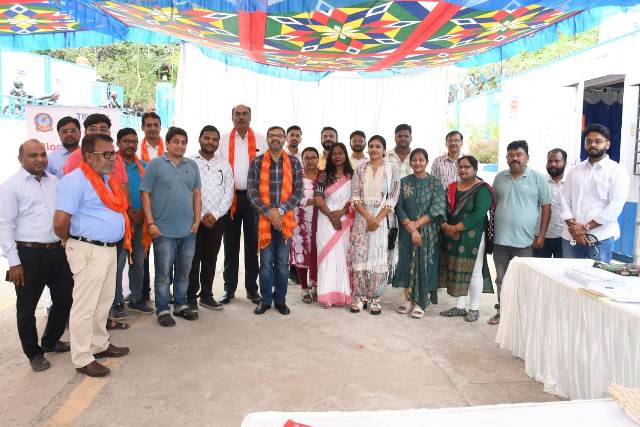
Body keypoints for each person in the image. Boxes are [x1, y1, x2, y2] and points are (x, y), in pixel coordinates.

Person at [53, 134, 130, 377]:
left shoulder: (107, 181)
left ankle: (99, 344)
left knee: (104, 301)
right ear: (88, 156)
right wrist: (73, 243)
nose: (112, 159)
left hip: (108, 249)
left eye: (113, 154)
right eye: (106, 154)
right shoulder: (74, 181)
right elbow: (60, 222)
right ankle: (82, 358)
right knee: (85, 306)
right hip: (88, 250)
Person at [0, 140, 73, 372]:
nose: (40, 159)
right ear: (20, 158)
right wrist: (14, 262)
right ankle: (34, 353)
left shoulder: (54, 182)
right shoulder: (11, 186)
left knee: (65, 298)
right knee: (27, 307)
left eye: (43, 154)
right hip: (27, 254)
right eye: (33, 155)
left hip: (56, 251)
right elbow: (4, 226)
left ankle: (50, 340)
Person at [140, 127, 202, 327]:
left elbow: (197, 195)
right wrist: (151, 223)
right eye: (176, 141)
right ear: (167, 143)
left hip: (188, 231)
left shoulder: (192, 165)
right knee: (163, 273)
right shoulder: (155, 164)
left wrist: (196, 221)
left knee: (184, 272)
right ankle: (163, 309)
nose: (180, 145)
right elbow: (145, 193)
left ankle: (181, 305)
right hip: (163, 231)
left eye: (183, 142)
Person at [489, 140, 551, 325]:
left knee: (523, 281)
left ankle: (521, 316)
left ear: (527, 157)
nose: (515, 158)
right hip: (501, 240)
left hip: (525, 242)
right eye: (511, 155)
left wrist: (541, 235)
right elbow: (496, 204)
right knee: (501, 279)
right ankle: (502, 313)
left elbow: (546, 207)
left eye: (519, 155)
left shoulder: (538, 178)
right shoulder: (499, 178)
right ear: (506, 157)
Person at [248, 126, 303, 315]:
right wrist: (269, 213)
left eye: (279, 136)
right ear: (267, 139)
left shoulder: (294, 162)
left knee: (281, 263)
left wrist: (279, 211)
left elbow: (298, 192)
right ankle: (265, 300)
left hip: (285, 221)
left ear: (285, 139)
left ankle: (280, 300)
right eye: (272, 136)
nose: (275, 139)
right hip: (263, 221)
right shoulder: (257, 162)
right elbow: (252, 193)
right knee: (265, 263)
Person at [560, 124, 630, 262]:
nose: (592, 144)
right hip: (571, 237)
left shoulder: (617, 172)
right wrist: (575, 229)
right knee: (568, 274)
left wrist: (585, 227)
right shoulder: (575, 171)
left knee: (597, 275)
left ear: (607, 144)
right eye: (589, 141)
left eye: (598, 141)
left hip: (601, 237)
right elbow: (564, 201)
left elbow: (614, 207)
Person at [218, 105, 266, 305]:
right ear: (232, 118)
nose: (241, 117)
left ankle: (252, 289)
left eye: (244, 114)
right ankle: (229, 289)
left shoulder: (261, 139)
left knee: (252, 245)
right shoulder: (222, 140)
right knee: (230, 245)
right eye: (237, 114)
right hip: (230, 198)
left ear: (250, 117)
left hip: (254, 199)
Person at [438, 156, 494, 322]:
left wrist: (455, 228)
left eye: (467, 167)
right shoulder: (451, 187)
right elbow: (442, 208)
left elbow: (479, 214)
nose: (462, 170)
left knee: (474, 271)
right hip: (452, 235)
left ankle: (474, 308)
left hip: (473, 236)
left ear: (475, 169)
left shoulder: (482, 189)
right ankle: (459, 306)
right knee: (456, 269)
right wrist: (446, 227)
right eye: (460, 167)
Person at [392, 148, 445, 319]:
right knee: (407, 262)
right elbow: (398, 206)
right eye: (414, 160)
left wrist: (418, 224)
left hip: (429, 232)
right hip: (407, 231)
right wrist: (412, 228)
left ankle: (422, 302)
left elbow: (437, 207)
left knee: (426, 264)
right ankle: (409, 299)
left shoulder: (435, 182)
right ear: (410, 162)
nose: (417, 163)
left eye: (421, 160)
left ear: (427, 162)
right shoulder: (403, 182)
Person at [350, 135, 400, 314]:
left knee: (378, 258)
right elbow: (355, 196)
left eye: (378, 146)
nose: (373, 149)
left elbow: (393, 196)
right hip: (361, 220)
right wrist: (368, 218)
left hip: (382, 220)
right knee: (360, 257)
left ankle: (374, 298)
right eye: (371, 146)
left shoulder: (392, 169)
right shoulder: (360, 168)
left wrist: (377, 219)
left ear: (384, 150)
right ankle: (360, 297)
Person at [187, 125, 233, 312]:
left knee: (211, 258)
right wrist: (198, 216)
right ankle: (190, 297)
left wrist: (215, 214)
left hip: (217, 219)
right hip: (193, 219)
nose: (210, 142)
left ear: (218, 143)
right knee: (192, 258)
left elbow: (229, 192)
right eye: (207, 138)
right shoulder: (189, 162)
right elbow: (186, 190)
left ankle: (206, 295)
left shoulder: (224, 164)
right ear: (199, 139)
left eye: (214, 139)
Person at [114, 128, 154, 315]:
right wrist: (128, 211)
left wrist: (143, 213)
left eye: (134, 142)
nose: (131, 145)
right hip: (120, 222)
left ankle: (136, 298)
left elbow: (151, 192)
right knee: (118, 264)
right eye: (126, 141)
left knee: (138, 261)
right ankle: (117, 302)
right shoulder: (112, 164)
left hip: (140, 222)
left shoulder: (145, 166)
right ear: (118, 143)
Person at [315, 143, 354, 308]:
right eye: (334, 154)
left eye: (340, 153)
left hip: (344, 219)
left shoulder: (352, 176)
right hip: (325, 220)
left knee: (342, 257)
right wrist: (331, 216)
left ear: (345, 155)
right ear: (330, 157)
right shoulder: (324, 175)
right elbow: (318, 199)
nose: (337, 156)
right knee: (327, 257)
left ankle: (342, 294)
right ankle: (326, 296)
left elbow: (355, 200)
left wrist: (342, 212)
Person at [137, 112, 164, 303]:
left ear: (160, 127)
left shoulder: (170, 149)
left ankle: (165, 292)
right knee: (142, 254)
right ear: (143, 127)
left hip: (164, 209)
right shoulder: (136, 153)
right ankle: (143, 292)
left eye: (156, 125)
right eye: (149, 125)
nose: (153, 128)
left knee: (165, 254)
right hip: (142, 209)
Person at [292, 147, 320, 304]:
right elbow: (292, 197)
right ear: (302, 160)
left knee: (318, 252)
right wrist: (311, 201)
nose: (310, 160)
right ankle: (304, 288)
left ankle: (315, 285)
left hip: (320, 220)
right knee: (301, 252)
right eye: (307, 158)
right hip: (300, 220)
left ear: (318, 159)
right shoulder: (297, 176)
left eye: (313, 157)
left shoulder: (323, 176)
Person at [533, 148, 567, 258]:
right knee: (538, 267)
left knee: (562, 268)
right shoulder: (539, 182)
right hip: (540, 236)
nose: (553, 164)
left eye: (557, 161)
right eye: (550, 161)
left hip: (564, 237)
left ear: (565, 163)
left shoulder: (571, 183)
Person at [285, 126, 303, 285]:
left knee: (296, 236)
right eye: (292, 135)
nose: (295, 138)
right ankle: (281, 269)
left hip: (298, 202)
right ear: (286, 137)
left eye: (298, 135)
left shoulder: (303, 156)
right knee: (283, 236)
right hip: (281, 202)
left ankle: (294, 269)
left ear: (301, 138)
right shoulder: (280, 154)